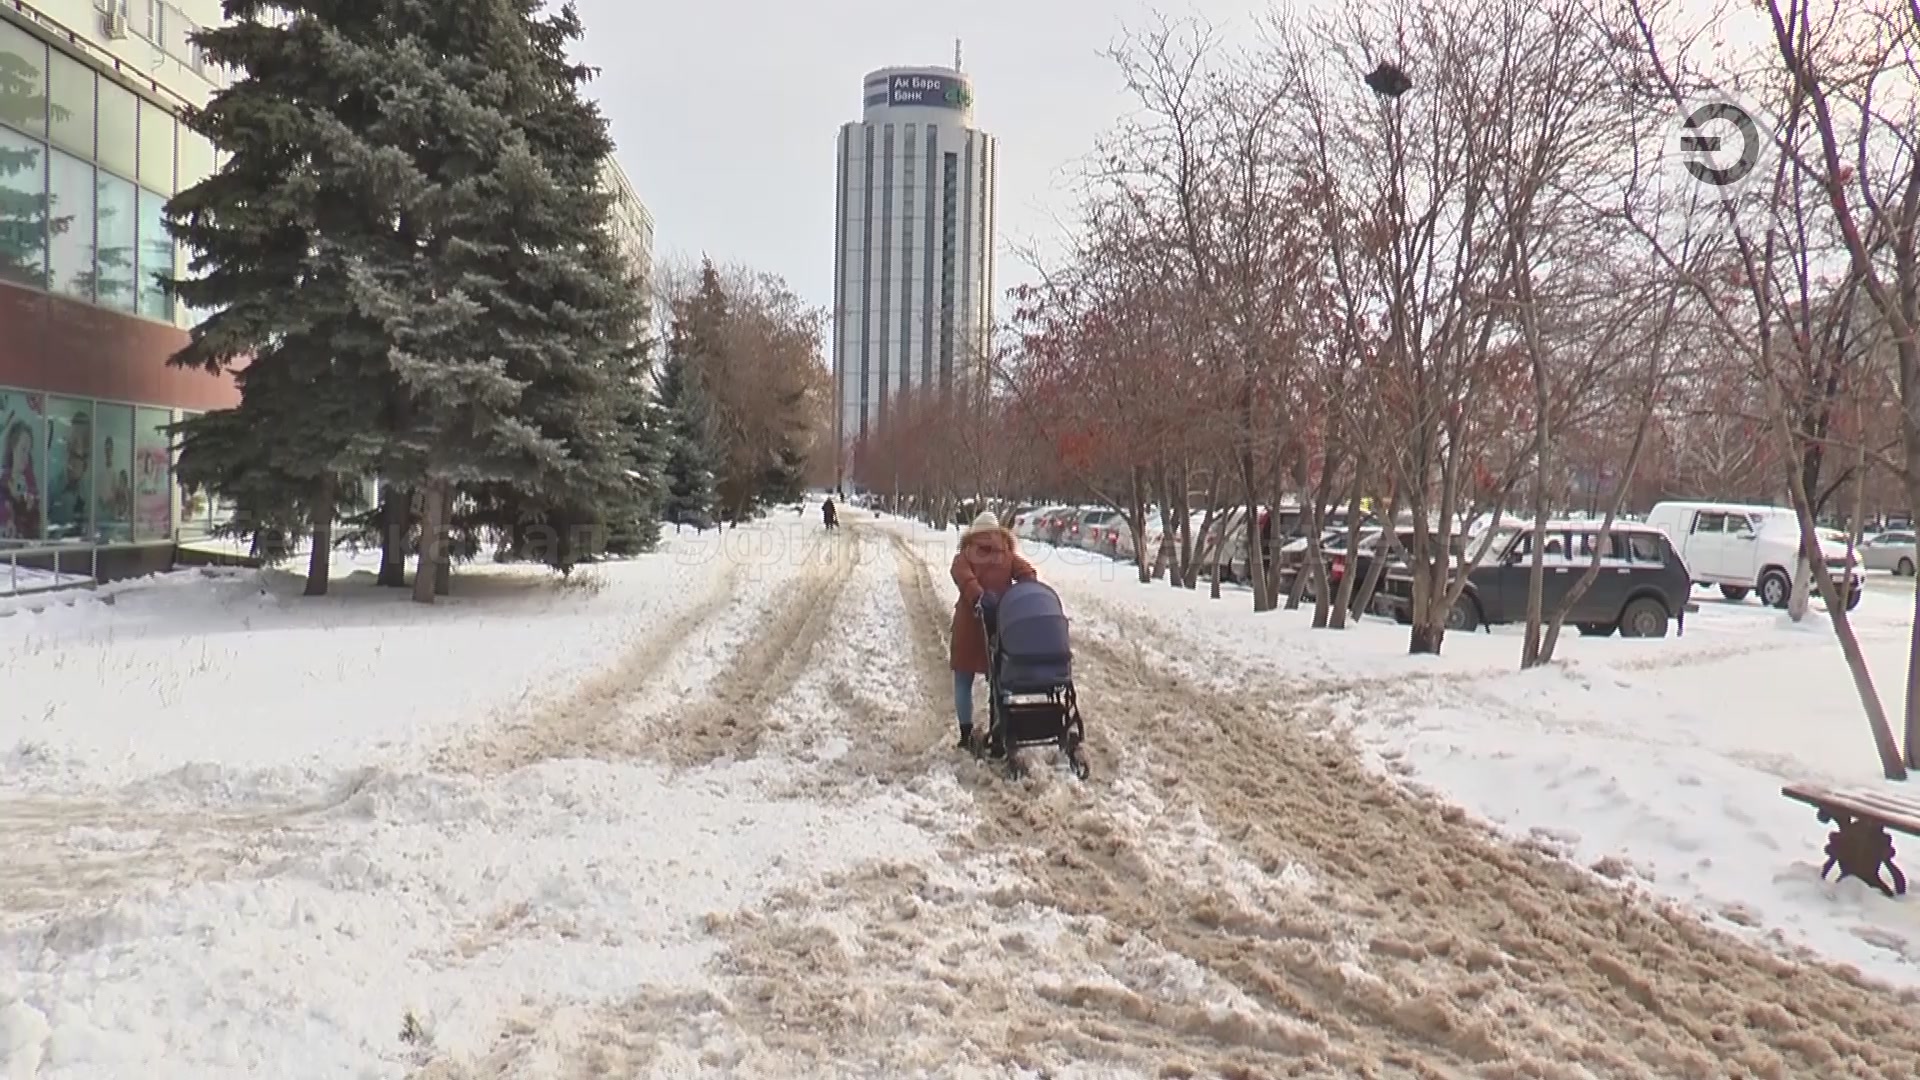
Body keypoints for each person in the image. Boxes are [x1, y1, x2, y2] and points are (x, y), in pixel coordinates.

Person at [950, 511, 1037, 749]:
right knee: (998, 680)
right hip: (1000, 625)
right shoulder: (1007, 555)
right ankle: (998, 729)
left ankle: (966, 734)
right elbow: (1029, 575)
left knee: (963, 680)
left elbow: (963, 577)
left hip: (969, 625)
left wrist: (979, 597)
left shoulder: (965, 555)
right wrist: (1017, 597)